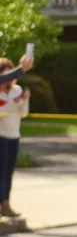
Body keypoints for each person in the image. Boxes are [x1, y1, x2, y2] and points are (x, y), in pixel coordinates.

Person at [0, 57, 30, 218]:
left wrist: (24, 100)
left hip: (14, 136)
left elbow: (23, 113)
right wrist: (13, 102)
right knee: (1, 171)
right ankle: (3, 204)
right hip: (1, 136)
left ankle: (6, 203)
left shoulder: (17, 90)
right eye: (5, 75)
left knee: (9, 172)